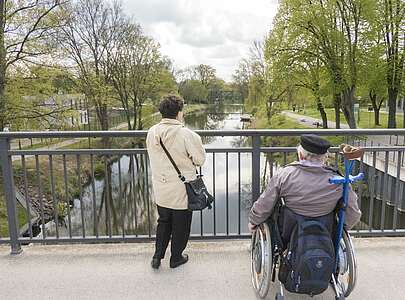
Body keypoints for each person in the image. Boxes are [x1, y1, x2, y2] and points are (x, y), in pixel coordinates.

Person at [249, 134, 362, 233]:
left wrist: (254, 221)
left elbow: (265, 203)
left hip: (289, 230)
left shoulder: (284, 175)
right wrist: (343, 228)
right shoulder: (340, 180)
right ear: (324, 157)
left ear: (301, 155)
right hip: (325, 231)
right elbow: (353, 212)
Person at [146, 94, 206, 269]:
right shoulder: (187, 134)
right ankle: (176, 258)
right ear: (179, 112)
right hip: (182, 188)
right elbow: (200, 160)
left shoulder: (152, 132)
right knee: (181, 224)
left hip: (160, 185)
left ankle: (157, 257)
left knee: (163, 221)